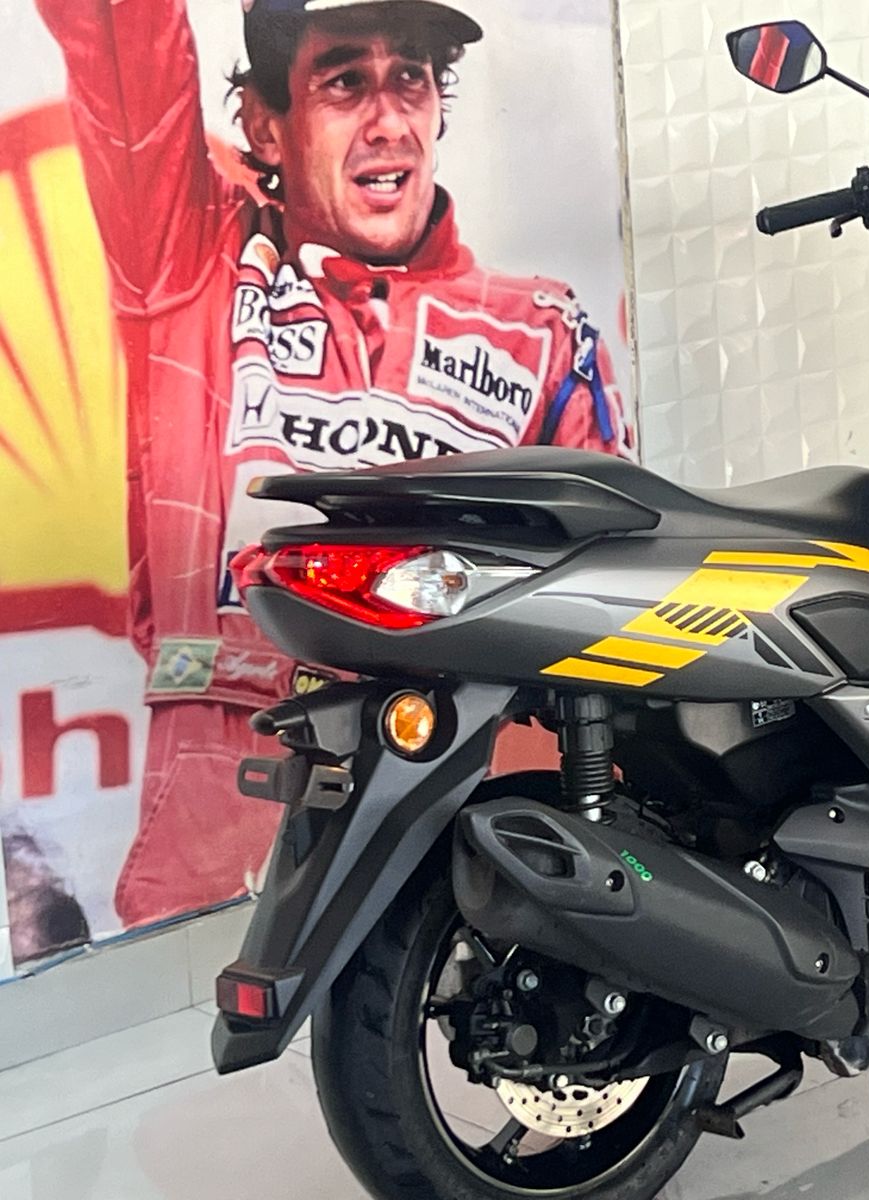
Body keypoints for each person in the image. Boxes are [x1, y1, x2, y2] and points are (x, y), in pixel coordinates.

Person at [36, 0, 634, 927]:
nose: (389, 120)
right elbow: (120, 30)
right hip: (232, 846)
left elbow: (611, 613)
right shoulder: (193, 262)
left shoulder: (543, 331)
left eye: (412, 79)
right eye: (345, 82)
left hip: (474, 843)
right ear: (265, 124)